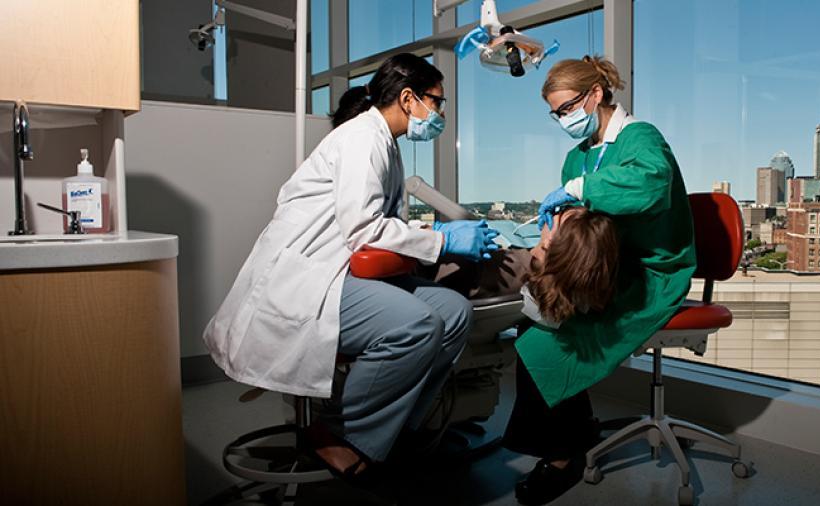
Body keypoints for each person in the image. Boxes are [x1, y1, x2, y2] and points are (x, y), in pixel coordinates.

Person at [203, 53, 499, 478]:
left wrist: (429, 236)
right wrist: (443, 240)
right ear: (410, 98)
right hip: (310, 280)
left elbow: (377, 221)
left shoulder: (386, 145)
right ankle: (339, 433)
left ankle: (393, 427)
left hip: (340, 271)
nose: (441, 112)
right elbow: (364, 229)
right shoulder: (362, 138)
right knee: (416, 324)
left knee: (454, 313)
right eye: (438, 101)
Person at [503, 55, 698, 505]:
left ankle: (562, 456)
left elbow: (651, 183)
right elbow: (577, 228)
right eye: (556, 113)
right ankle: (571, 435)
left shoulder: (640, 138)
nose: (562, 119)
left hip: (650, 272)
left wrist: (578, 190)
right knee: (537, 321)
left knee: (551, 332)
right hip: (601, 269)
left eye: (567, 107)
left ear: (595, 95)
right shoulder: (578, 154)